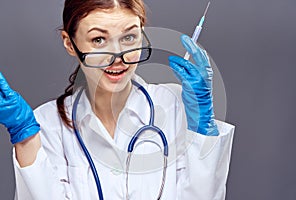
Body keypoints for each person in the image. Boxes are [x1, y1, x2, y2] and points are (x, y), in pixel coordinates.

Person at [0, 0, 235, 199]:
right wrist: (26, 140)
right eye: (99, 40)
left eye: (129, 37)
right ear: (69, 43)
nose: (118, 58)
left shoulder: (176, 106)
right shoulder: (47, 125)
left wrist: (203, 129)